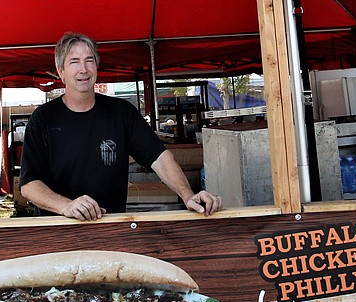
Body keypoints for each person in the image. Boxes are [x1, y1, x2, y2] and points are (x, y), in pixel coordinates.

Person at [19, 32, 223, 221]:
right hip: (57, 227)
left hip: (111, 226)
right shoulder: (43, 118)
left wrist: (188, 195)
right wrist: (67, 206)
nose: (84, 69)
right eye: (74, 62)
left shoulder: (121, 112)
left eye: (89, 60)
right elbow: (29, 185)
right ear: (61, 72)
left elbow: (159, 158)